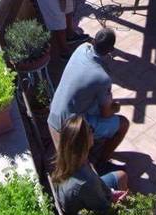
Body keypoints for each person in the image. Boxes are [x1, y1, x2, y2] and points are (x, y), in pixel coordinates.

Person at [48, 28, 129, 167]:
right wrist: (115, 108)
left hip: (54, 111)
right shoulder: (102, 78)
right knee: (123, 124)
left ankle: (93, 146)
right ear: (111, 50)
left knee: (95, 103)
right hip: (68, 126)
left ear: (93, 40)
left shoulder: (81, 48)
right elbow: (106, 114)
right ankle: (102, 163)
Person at [51, 115, 128, 215]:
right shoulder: (86, 182)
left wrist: (110, 192)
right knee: (125, 191)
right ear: (84, 142)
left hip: (80, 199)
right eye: (90, 129)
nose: (93, 131)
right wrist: (121, 203)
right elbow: (106, 213)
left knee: (121, 176)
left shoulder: (67, 159)